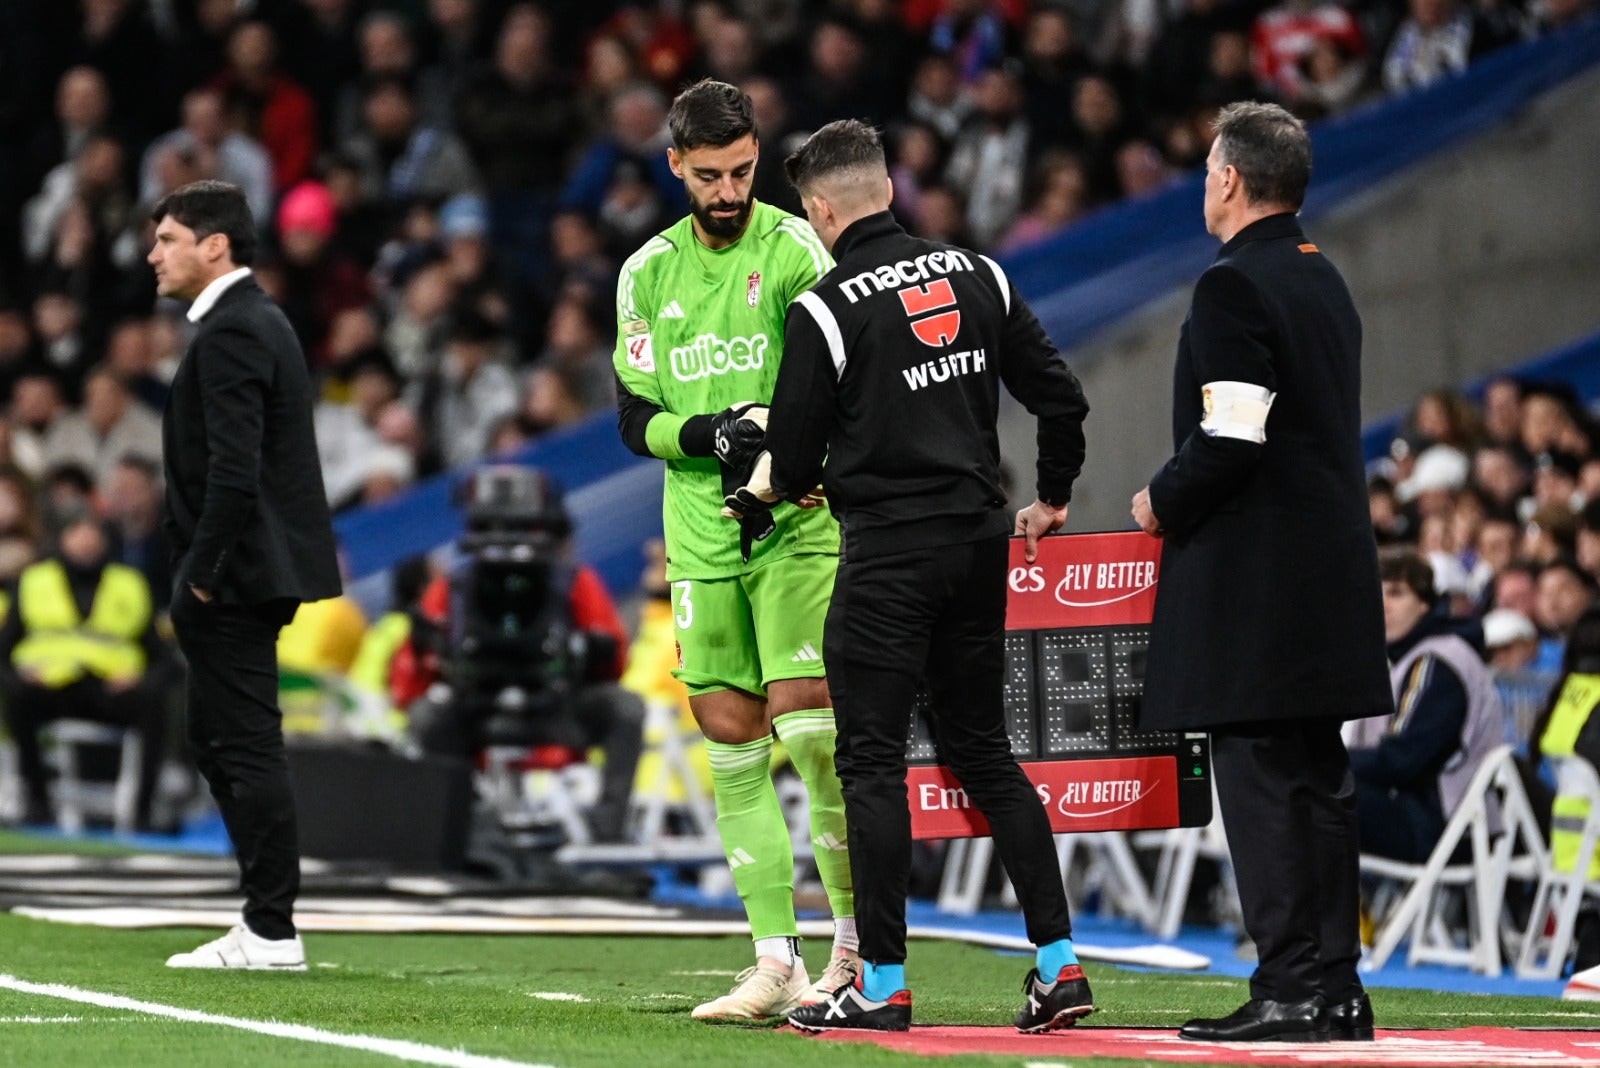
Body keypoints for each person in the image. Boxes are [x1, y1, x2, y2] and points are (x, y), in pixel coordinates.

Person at [724, 119, 1094, 1034]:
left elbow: (800, 457)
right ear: (886, 188)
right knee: (985, 754)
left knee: (872, 763)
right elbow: (1062, 396)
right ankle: (1059, 963)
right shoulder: (982, 273)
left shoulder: (825, 308)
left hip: (887, 555)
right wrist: (1048, 499)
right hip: (977, 543)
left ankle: (881, 980)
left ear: (817, 211)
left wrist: (763, 493)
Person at [1130, 102, 1392, 1043]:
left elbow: (1232, 437)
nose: (1204, 183)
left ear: (1231, 180)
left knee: (1263, 786)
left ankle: (1287, 987)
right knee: (1320, 784)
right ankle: (1336, 989)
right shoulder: (1325, 279)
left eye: (1207, 169)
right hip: (1327, 576)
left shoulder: (1234, 286)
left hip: (1258, 590)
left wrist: (1162, 496)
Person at [611, 80, 856, 1020]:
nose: (728, 190)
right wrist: (710, 432)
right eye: (709, 175)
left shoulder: (795, 248)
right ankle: (774, 959)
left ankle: (852, 948)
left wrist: (782, 453)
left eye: (743, 172)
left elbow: (838, 379)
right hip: (700, 535)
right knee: (730, 737)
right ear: (674, 164)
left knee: (811, 730)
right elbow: (635, 420)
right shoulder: (646, 273)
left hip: (797, 519)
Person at [147, 180, 342, 970]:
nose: (153, 255)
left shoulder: (233, 331)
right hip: (244, 572)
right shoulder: (253, 322)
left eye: (167, 239)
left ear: (214, 245)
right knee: (214, 739)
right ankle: (263, 919)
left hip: (236, 576)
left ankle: (271, 927)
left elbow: (235, 473)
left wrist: (199, 575)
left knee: (247, 744)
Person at [397, 466, 646, 845]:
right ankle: (452, 831)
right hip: (474, 710)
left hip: (558, 708)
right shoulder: (454, 589)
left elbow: (615, 663)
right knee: (427, 718)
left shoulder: (574, 581)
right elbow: (405, 686)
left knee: (625, 709)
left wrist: (594, 650)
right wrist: (424, 650)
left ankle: (608, 834)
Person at [0, 504, 172, 831]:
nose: (86, 541)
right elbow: (3, 650)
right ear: (61, 537)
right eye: (77, 531)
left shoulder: (130, 584)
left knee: (153, 701)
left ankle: (142, 811)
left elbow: (164, 659)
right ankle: (37, 801)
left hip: (109, 690)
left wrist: (141, 678)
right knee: (18, 697)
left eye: (93, 532)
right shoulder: (34, 581)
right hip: (52, 687)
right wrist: (18, 676)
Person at [1347, 550, 1504, 862]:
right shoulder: (1403, 659)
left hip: (1450, 827)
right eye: (1375, 594)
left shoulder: (1439, 660)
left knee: (1320, 793)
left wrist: (1327, 763)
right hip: (1423, 812)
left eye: (1396, 593)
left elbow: (1403, 758)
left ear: (1425, 603)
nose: (1383, 605)